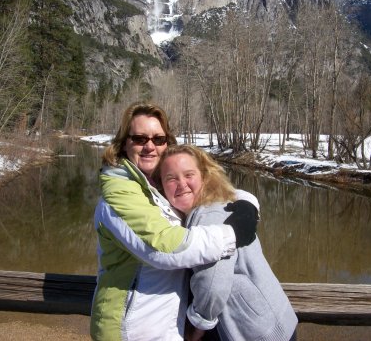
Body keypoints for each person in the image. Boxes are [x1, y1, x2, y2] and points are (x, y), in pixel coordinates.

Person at [90, 102, 259, 341]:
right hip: (130, 330)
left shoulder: (159, 184)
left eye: (158, 139)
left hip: (166, 326)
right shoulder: (119, 192)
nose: (150, 146)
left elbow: (211, 184)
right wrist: (232, 233)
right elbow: (164, 248)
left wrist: (248, 204)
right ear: (124, 144)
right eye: (139, 138)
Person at [155, 144, 298, 341]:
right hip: (272, 322)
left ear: (204, 177)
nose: (181, 184)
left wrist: (197, 326)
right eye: (171, 178)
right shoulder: (214, 203)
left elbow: (213, 283)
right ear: (161, 185)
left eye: (189, 175)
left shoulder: (208, 214)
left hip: (258, 332)